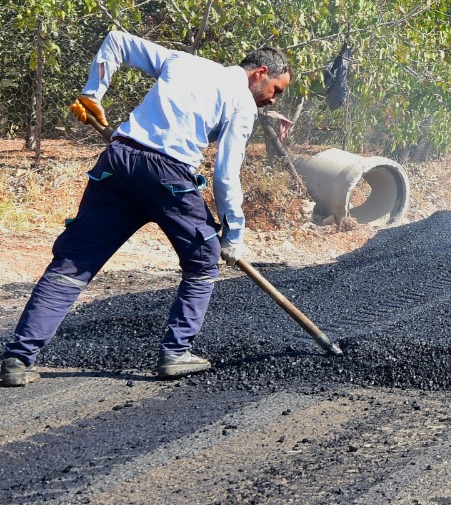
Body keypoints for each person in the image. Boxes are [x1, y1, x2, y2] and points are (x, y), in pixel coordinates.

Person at [0, 31, 291, 386]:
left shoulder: (183, 61)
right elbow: (226, 174)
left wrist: (94, 93)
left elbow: (117, 41)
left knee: (72, 264)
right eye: (276, 90)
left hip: (119, 162)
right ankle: (175, 352)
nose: (273, 101)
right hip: (169, 176)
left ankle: (18, 358)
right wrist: (233, 234)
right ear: (261, 72)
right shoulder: (242, 102)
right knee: (203, 260)